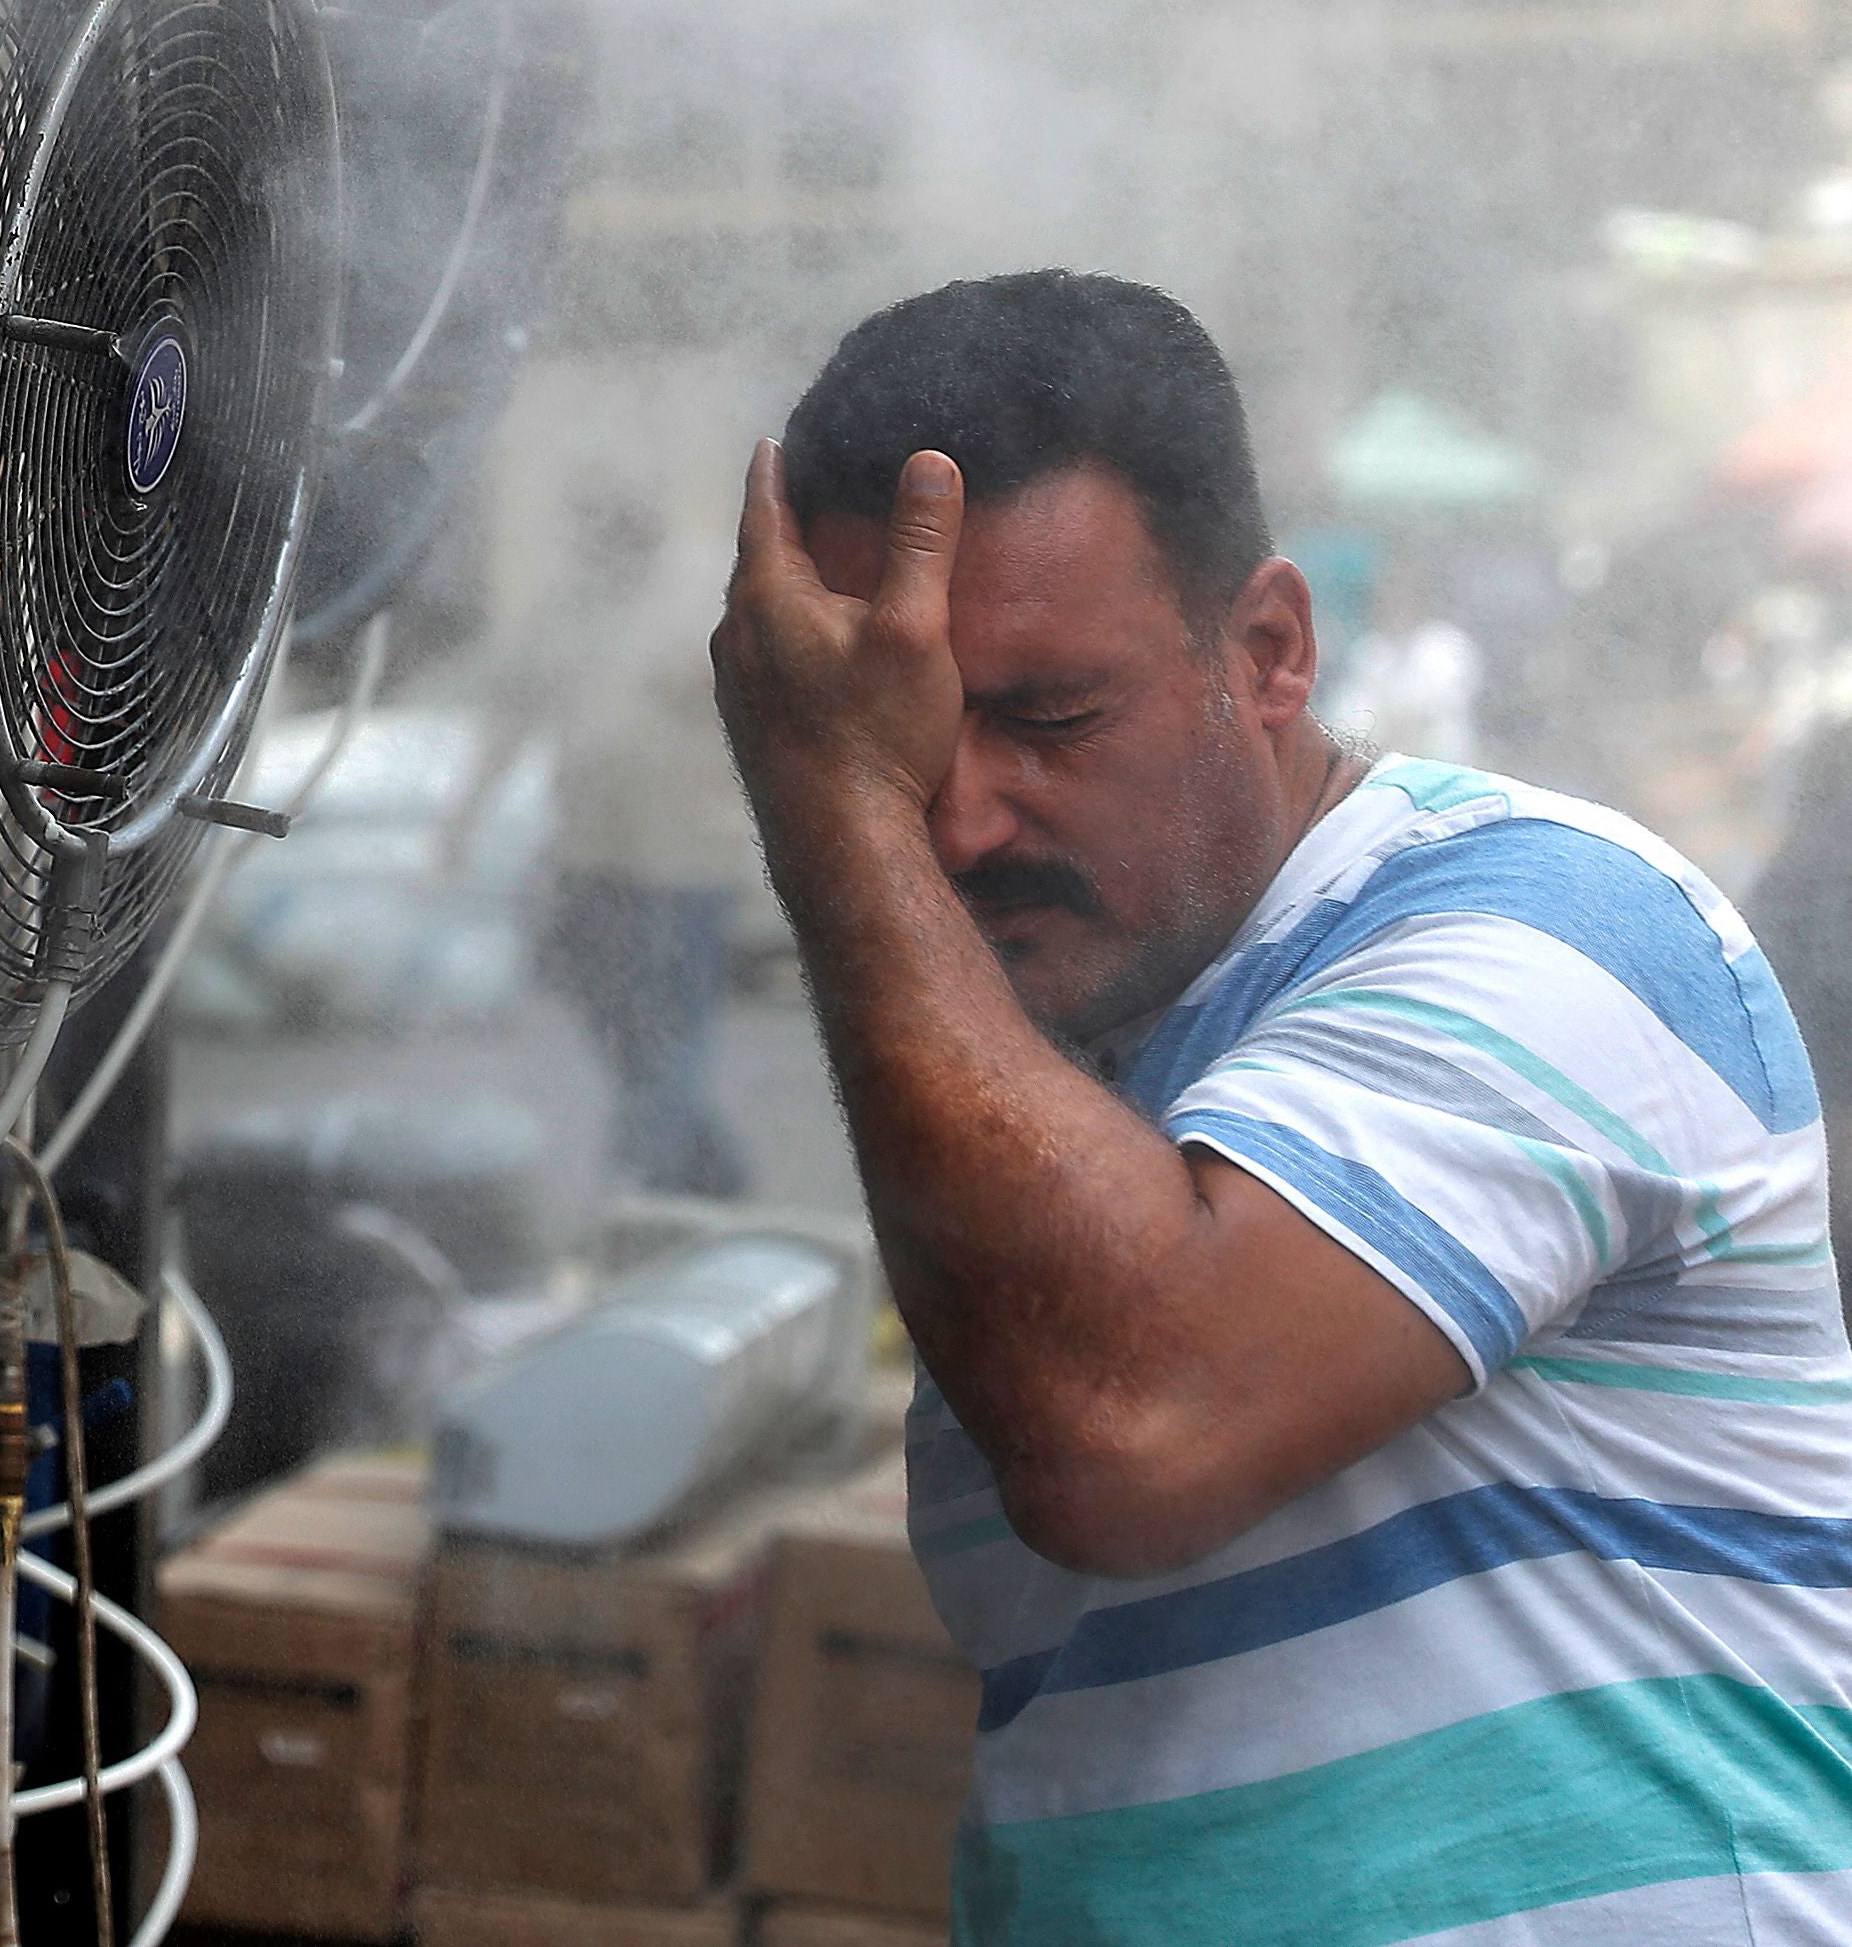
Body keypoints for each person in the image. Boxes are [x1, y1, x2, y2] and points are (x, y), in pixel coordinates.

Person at [714, 271, 1852, 1943]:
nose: (953, 823)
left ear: (1267, 652)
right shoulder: (1031, 1121)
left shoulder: (1554, 922)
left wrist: (830, 799)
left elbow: (1131, 1428)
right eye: (902, 743)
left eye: (1046, 718)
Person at [445, 474, 758, 1198]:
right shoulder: (568, 609)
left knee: (671, 1034)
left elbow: (778, 696)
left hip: (683, 860)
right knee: (623, 1032)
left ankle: (638, 1185)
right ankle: (713, 1182)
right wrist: (463, 815)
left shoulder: (703, 598)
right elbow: (511, 715)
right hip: (589, 857)